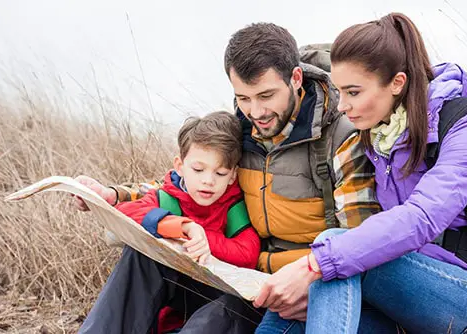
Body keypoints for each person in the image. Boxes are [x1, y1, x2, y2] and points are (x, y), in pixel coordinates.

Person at [76, 22, 381, 333]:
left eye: (266, 95)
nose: (256, 111)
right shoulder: (240, 129)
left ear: (295, 79)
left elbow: (359, 240)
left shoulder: (342, 138)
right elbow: (181, 184)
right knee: (140, 256)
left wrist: (312, 279)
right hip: (233, 274)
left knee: (217, 318)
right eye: (244, 98)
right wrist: (114, 196)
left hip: (297, 283)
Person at [253, 12, 467, 334]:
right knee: (302, 308)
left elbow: (421, 218)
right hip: (413, 295)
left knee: (333, 252)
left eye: (353, 92)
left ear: (397, 83)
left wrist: (314, 264)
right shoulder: (382, 134)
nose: (342, 106)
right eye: (340, 92)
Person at [78, 111, 261, 333]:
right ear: (180, 166)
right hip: (170, 302)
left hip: (214, 304)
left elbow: (248, 253)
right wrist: (184, 228)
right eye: (198, 169)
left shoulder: (232, 204)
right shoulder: (168, 196)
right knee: (141, 251)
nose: (208, 181)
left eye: (220, 173)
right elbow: (127, 213)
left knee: (231, 306)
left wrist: (206, 241)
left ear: (233, 175)